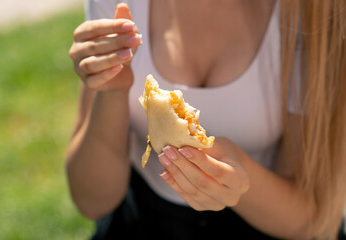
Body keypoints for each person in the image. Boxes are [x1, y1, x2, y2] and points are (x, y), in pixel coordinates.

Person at [66, 0, 346, 239]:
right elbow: (91, 201)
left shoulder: (313, 15)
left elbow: (313, 220)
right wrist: (113, 91)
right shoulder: (123, 8)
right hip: (139, 221)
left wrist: (239, 178)